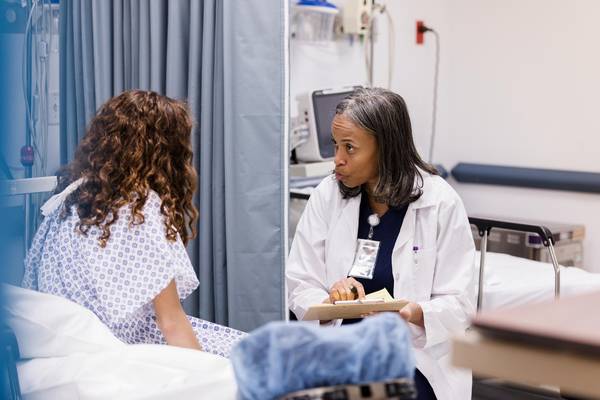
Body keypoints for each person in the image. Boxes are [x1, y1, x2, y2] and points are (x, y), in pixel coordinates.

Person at [22, 90, 245, 357]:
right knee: (253, 355)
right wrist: (209, 376)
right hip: (123, 347)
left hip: (74, 344)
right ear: (163, 152)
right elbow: (170, 322)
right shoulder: (139, 208)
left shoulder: (67, 199)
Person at [286, 88, 476, 400]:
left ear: (385, 148)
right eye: (335, 146)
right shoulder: (327, 194)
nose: (338, 160)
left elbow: (460, 304)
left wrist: (412, 312)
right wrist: (329, 299)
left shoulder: (440, 203)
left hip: (413, 358)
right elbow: (300, 280)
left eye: (350, 148)